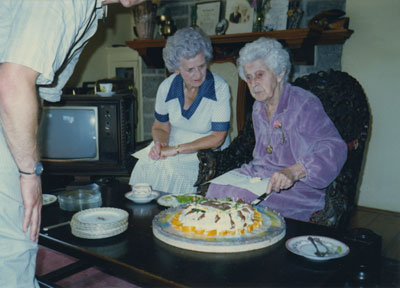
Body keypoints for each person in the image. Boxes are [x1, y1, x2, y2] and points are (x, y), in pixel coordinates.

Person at [0, 0, 144, 287]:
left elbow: (37, 90)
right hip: (6, 106)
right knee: (17, 241)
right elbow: (12, 84)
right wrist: (29, 174)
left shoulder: (94, 11)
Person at [206, 37, 347, 222]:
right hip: (262, 176)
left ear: (280, 73)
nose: (253, 84)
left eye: (259, 75)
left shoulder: (304, 103)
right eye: (248, 78)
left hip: (297, 187)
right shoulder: (258, 107)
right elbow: (263, 156)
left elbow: (335, 147)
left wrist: (294, 171)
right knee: (213, 188)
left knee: (239, 200)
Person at [130, 27, 231, 195]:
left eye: (201, 66)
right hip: (172, 144)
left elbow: (217, 138)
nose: (198, 74)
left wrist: (175, 149)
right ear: (176, 68)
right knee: (145, 164)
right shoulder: (166, 87)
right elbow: (160, 127)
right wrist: (160, 144)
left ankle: (175, 217)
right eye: (190, 69)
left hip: (204, 153)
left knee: (170, 168)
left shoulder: (219, 88)